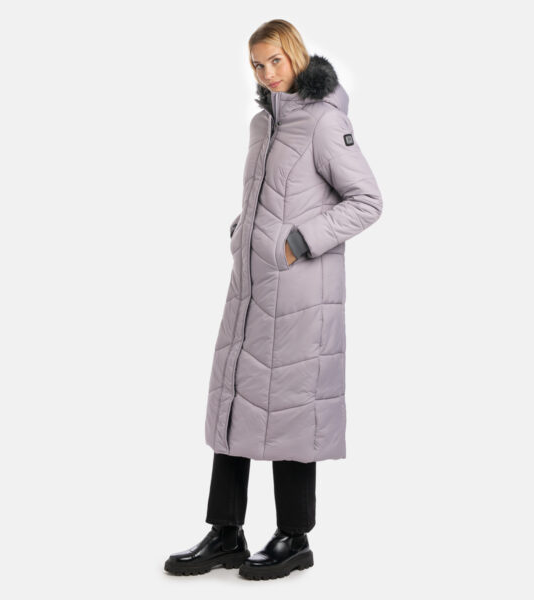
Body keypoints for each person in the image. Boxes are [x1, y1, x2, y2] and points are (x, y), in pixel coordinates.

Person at [164, 18, 383, 580]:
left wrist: (298, 241)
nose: (266, 73)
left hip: (301, 291)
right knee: (235, 400)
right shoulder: (263, 124)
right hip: (252, 285)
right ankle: (225, 532)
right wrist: (244, 231)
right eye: (257, 65)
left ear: (295, 55)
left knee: (291, 407)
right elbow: (266, 197)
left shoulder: (325, 122)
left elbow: (367, 200)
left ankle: (294, 536)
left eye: (274, 61)